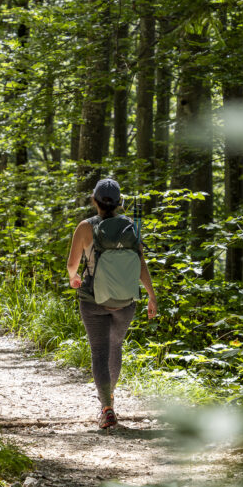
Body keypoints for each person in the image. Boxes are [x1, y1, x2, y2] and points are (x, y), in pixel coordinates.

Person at [66, 178, 158, 429]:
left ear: (94, 200)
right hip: (125, 300)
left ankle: (107, 408)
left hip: (93, 299)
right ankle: (110, 400)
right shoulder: (131, 226)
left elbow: (72, 265)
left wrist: (74, 278)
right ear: (119, 202)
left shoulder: (85, 227)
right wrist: (151, 295)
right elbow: (140, 263)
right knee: (115, 346)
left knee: (99, 351)